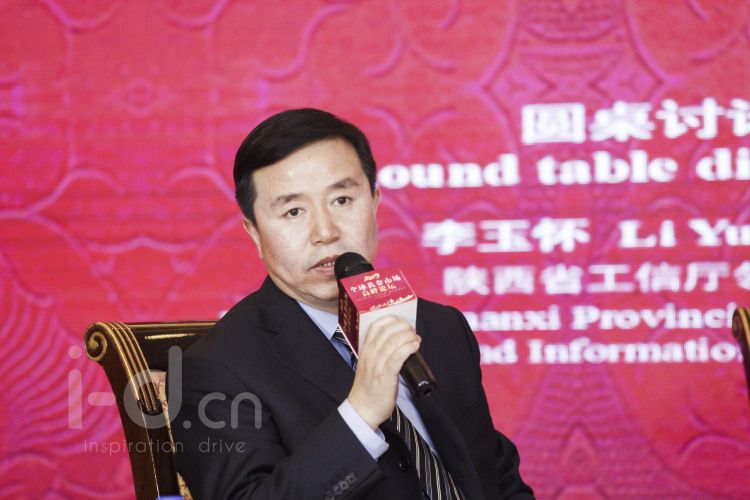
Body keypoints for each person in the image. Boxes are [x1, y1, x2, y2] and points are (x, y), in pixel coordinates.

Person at [172, 108, 534, 499]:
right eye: (293, 211)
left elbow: (496, 475)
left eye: (342, 200)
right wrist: (360, 414)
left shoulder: (440, 327)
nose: (325, 232)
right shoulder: (217, 369)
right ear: (254, 233)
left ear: (375, 202)